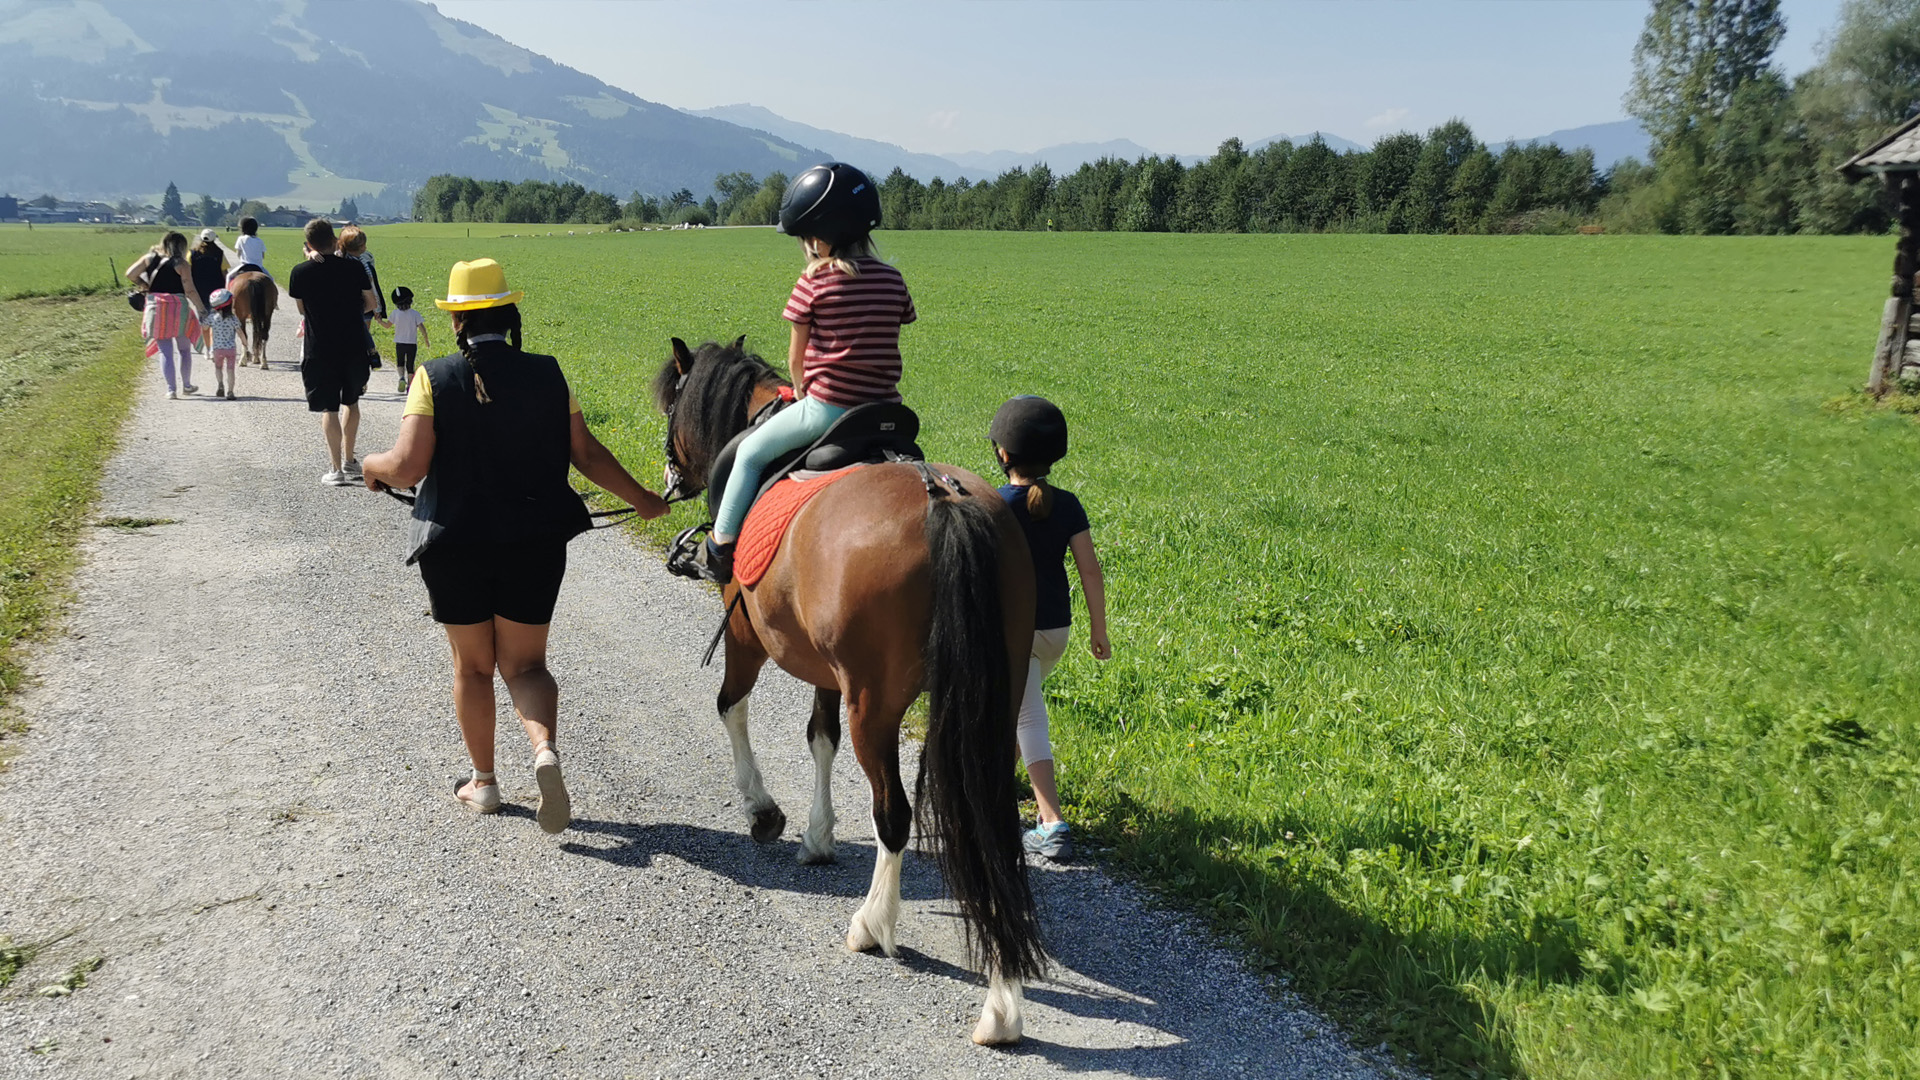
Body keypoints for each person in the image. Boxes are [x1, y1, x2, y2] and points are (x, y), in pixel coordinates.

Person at [361, 258, 670, 832]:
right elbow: (588, 454)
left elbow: (407, 466)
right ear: (509, 314)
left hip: (456, 546)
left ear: (456, 321)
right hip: (535, 542)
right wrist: (644, 498)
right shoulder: (550, 373)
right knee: (526, 664)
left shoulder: (435, 376)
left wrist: (370, 465)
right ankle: (544, 751)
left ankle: (483, 784)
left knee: (474, 669)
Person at [686, 162, 911, 583]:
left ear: (820, 236)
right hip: (886, 408)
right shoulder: (893, 279)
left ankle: (719, 548)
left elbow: (796, 360)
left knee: (750, 455)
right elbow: (897, 323)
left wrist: (803, 390)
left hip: (829, 409)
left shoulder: (813, 283)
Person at [990, 395, 1111, 861]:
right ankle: (995, 798)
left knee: (1026, 716)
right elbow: (1090, 570)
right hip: (1056, 631)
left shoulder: (995, 505)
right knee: (1024, 710)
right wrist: (1098, 631)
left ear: (1003, 454)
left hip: (1014, 632)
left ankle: (1051, 820)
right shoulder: (1068, 504)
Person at [286, 218, 377, 486]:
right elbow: (370, 302)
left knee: (329, 408)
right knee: (352, 402)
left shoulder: (299, 272)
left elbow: (302, 309)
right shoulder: (354, 267)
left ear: (309, 243)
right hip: (353, 345)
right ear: (335, 240)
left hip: (320, 348)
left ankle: (335, 469)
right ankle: (350, 460)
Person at [125, 231, 204, 399]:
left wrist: (144, 284)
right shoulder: (182, 264)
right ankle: (187, 385)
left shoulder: (149, 258)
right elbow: (189, 290)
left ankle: (171, 389)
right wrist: (201, 309)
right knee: (184, 350)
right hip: (178, 308)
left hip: (156, 307)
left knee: (165, 352)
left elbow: (130, 273)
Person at [339, 224, 388, 367]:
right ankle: (371, 353)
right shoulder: (363, 265)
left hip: (347, 308)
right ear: (360, 246)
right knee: (361, 332)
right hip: (362, 307)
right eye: (363, 245)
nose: (365, 248)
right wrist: (377, 309)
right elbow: (373, 287)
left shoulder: (337, 260)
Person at [188, 229, 228, 352]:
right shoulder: (220, 253)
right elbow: (225, 273)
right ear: (214, 239)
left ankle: (208, 347)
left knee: (204, 321)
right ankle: (216, 346)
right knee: (216, 320)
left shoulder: (192, 253)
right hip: (217, 292)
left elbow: (187, 273)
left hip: (199, 292)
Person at [388, 286, 429, 393]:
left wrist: (379, 321)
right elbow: (422, 328)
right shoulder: (415, 314)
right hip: (411, 343)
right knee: (410, 364)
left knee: (400, 362)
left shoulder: (395, 313)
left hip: (399, 343)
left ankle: (401, 377)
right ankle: (410, 385)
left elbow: (387, 325)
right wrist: (426, 340)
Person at [203, 288, 241, 399]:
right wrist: (245, 343)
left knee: (218, 368)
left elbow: (204, 328)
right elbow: (240, 332)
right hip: (230, 349)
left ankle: (220, 385)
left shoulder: (212, 317)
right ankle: (230, 391)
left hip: (217, 349)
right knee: (230, 370)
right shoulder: (233, 318)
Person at [227, 216, 268, 285]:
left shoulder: (241, 239)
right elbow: (263, 256)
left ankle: (229, 295)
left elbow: (238, 254)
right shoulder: (260, 241)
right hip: (259, 266)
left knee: (228, 277)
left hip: (245, 265)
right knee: (271, 279)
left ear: (243, 228)